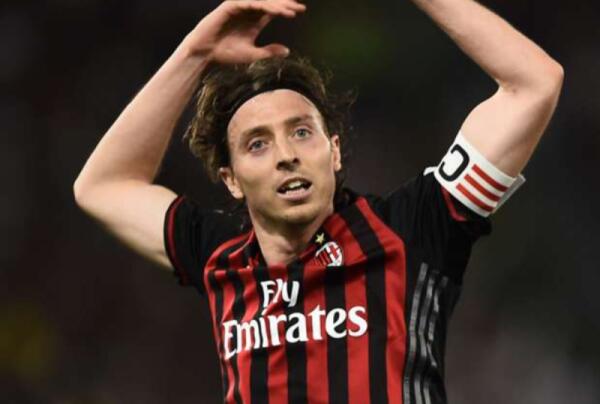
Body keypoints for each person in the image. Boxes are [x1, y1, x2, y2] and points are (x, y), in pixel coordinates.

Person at [73, 0, 563, 403]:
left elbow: (534, 84)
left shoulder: (413, 228)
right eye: (258, 144)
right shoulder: (220, 256)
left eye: (302, 132)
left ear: (334, 152)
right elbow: (103, 185)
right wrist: (195, 53)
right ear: (232, 180)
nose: (286, 155)